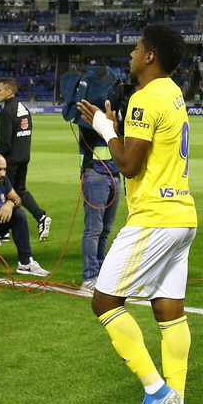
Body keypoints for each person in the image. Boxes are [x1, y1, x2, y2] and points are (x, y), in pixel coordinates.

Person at [77, 24, 196, 404]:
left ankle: (156, 390)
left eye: (136, 47)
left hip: (154, 217)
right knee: (168, 310)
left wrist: (108, 131)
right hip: (182, 217)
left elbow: (129, 164)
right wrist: (118, 129)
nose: (130, 52)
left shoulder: (147, 97)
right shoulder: (174, 93)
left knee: (104, 302)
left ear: (150, 56)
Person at [0, 77, 51, 241]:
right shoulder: (23, 108)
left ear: (9, 92)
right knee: (19, 191)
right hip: (23, 157)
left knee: (2, 191)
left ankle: (3, 230)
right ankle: (41, 217)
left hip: (10, 160)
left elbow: (5, 143)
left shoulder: (6, 112)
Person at [77, 123, 121, 292]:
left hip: (114, 172)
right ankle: (89, 278)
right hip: (95, 173)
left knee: (105, 229)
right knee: (94, 229)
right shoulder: (88, 115)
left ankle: (100, 274)